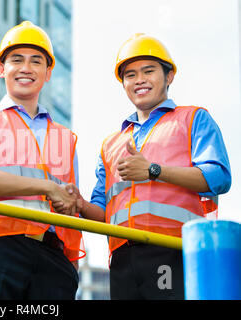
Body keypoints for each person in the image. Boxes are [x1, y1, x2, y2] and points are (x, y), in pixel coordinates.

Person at [53, 33, 231, 299]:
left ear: (169, 76)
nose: (139, 80)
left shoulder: (193, 119)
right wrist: (80, 204)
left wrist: (153, 171)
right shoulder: (110, 145)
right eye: (130, 75)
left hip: (171, 250)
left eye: (148, 71)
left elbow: (219, 177)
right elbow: (103, 212)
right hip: (122, 259)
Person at [0, 21, 85, 300]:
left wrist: (70, 270)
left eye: (36, 61)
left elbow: (70, 217)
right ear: (1, 68)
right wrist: (49, 187)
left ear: (48, 72)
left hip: (53, 261)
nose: (26, 68)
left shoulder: (66, 138)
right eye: (17, 60)